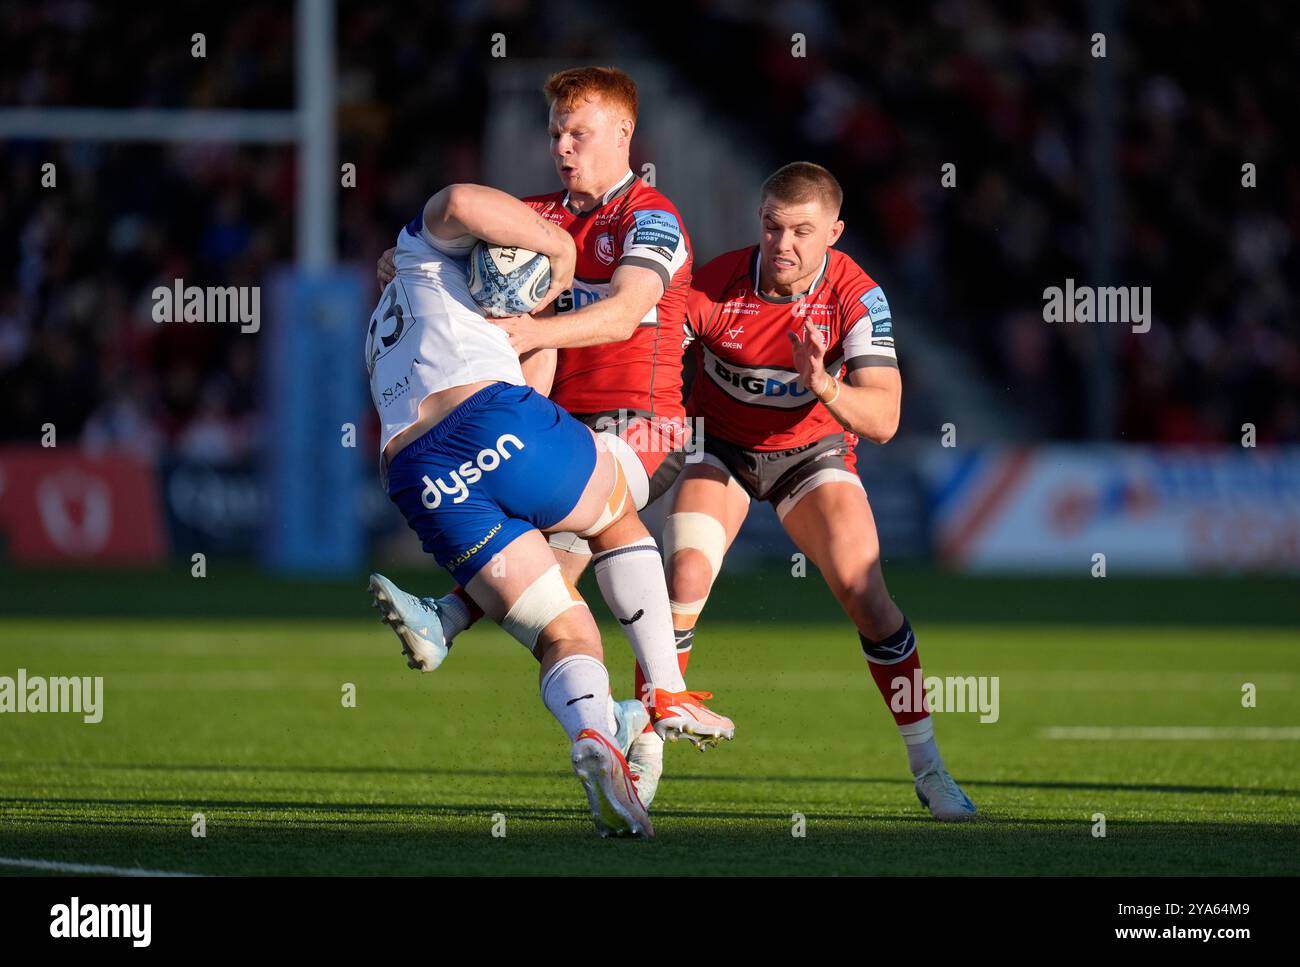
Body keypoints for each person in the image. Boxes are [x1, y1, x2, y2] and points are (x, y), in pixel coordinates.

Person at [375, 67, 730, 805]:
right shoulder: (532, 217)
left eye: (581, 132)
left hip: (641, 425)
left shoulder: (650, 216)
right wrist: (400, 265)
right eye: (555, 134)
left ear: (624, 134)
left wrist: (535, 324)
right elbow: (435, 261)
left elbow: (626, 312)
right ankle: (618, 741)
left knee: (589, 539)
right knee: (556, 613)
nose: (564, 147)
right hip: (537, 434)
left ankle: (649, 694)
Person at [664, 162, 977, 820]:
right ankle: (642, 759)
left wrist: (826, 384)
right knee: (685, 576)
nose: (784, 244)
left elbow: (886, 420)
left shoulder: (857, 297)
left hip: (812, 452)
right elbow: (649, 342)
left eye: (802, 231)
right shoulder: (714, 283)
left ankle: (929, 768)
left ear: (833, 232)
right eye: (773, 227)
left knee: (868, 594)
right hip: (719, 446)